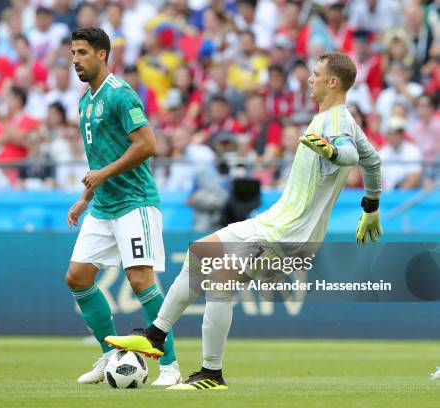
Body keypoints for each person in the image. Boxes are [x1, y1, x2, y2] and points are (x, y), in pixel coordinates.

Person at [106, 52, 383, 390]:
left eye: (315, 73)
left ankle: (210, 373)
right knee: (200, 253)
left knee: (220, 278)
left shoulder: (336, 122)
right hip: (275, 222)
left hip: (287, 232)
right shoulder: (339, 120)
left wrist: (334, 152)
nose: (309, 79)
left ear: (332, 81)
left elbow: (352, 155)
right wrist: (370, 205)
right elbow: (373, 160)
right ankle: (156, 335)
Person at [65, 27, 181, 386]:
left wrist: (102, 176)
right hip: (103, 204)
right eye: (73, 53)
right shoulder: (86, 100)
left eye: (82, 52)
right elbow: (100, 157)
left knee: (140, 279)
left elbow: (147, 144)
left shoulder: (120, 95)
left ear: (102, 54)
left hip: (135, 202)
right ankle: (108, 353)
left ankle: (170, 367)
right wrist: (86, 198)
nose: (75, 60)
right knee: (77, 277)